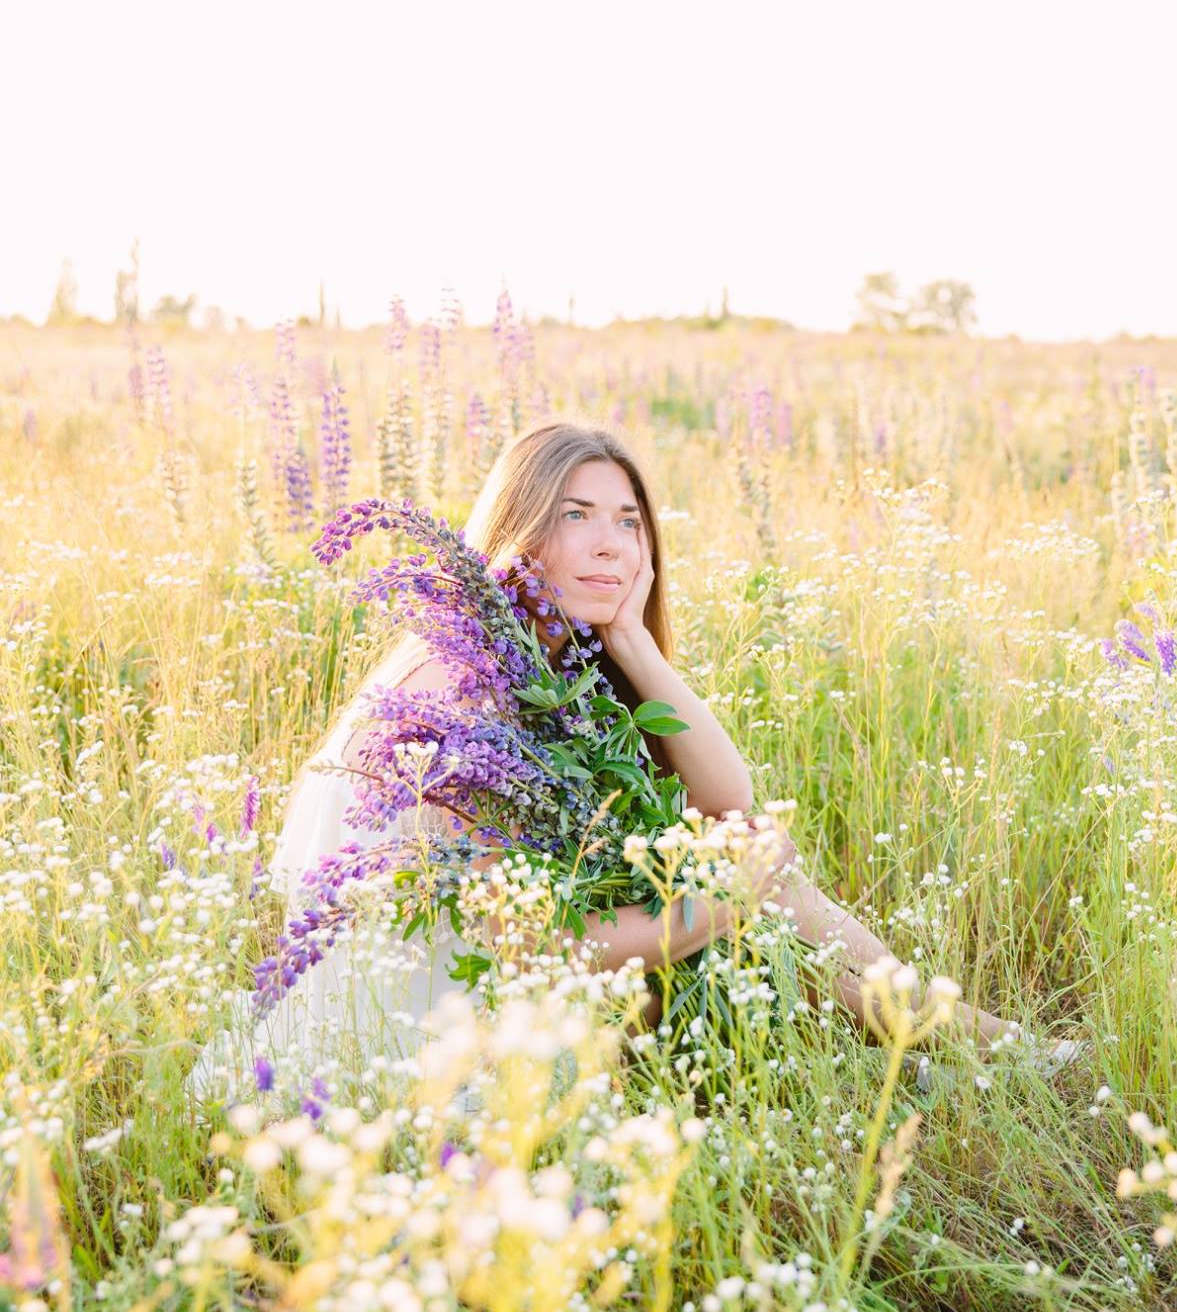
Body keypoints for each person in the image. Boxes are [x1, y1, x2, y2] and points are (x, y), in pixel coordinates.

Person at [188, 419, 1080, 1112]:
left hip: (526, 987)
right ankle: (969, 1050)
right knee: (750, 915)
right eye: (574, 517)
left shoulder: (558, 659)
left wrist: (633, 643)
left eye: (627, 522)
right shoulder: (454, 689)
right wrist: (719, 904)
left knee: (758, 886)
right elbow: (537, 950)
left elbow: (729, 801)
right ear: (519, 531)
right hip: (441, 1034)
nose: (610, 544)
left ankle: (948, 1050)